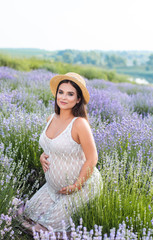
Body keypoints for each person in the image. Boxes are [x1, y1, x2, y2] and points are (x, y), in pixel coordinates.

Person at [23, 72, 103, 234]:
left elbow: (92, 158)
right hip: (53, 187)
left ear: (78, 99)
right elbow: (51, 146)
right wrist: (42, 156)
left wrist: (77, 184)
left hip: (81, 187)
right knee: (28, 214)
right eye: (61, 92)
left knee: (42, 229)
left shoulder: (80, 124)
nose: (63, 97)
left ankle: (73, 232)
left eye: (70, 94)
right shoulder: (51, 118)